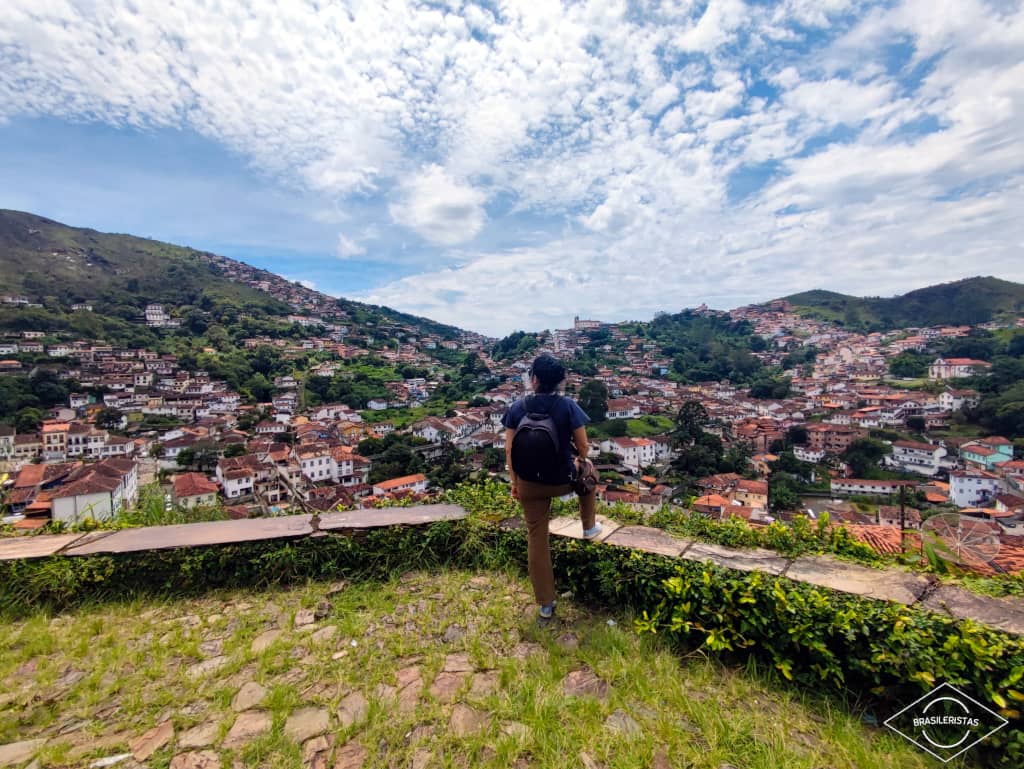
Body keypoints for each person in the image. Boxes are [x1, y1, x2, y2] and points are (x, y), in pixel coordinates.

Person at [502, 353, 600, 622]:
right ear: (559, 382)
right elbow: (583, 446)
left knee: (537, 538)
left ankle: (546, 604)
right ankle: (589, 526)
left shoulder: (517, 407)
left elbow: (509, 450)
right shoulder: (567, 406)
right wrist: (579, 460)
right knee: (590, 471)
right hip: (562, 481)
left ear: (534, 379)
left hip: (528, 485)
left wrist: (515, 484)